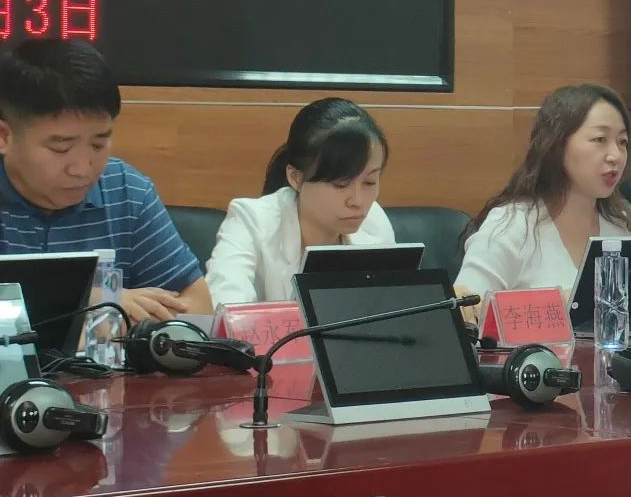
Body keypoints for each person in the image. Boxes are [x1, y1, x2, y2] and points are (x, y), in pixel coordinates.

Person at [0, 39, 211, 321]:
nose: (82, 169)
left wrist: (107, 315)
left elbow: (198, 310)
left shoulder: (127, 190)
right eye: (61, 148)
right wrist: (88, 302)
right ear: (4, 136)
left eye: (98, 144)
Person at [455, 85, 631, 303]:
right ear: (557, 145)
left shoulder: (621, 226)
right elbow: (467, 309)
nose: (616, 155)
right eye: (600, 139)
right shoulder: (513, 225)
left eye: (622, 142)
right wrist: (563, 302)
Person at [206, 98, 394, 305]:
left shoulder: (374, 222)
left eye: (369, 182)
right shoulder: (251, 221)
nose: (358, 201)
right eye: (340, 184)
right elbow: (224, 309)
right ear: (296, 178)